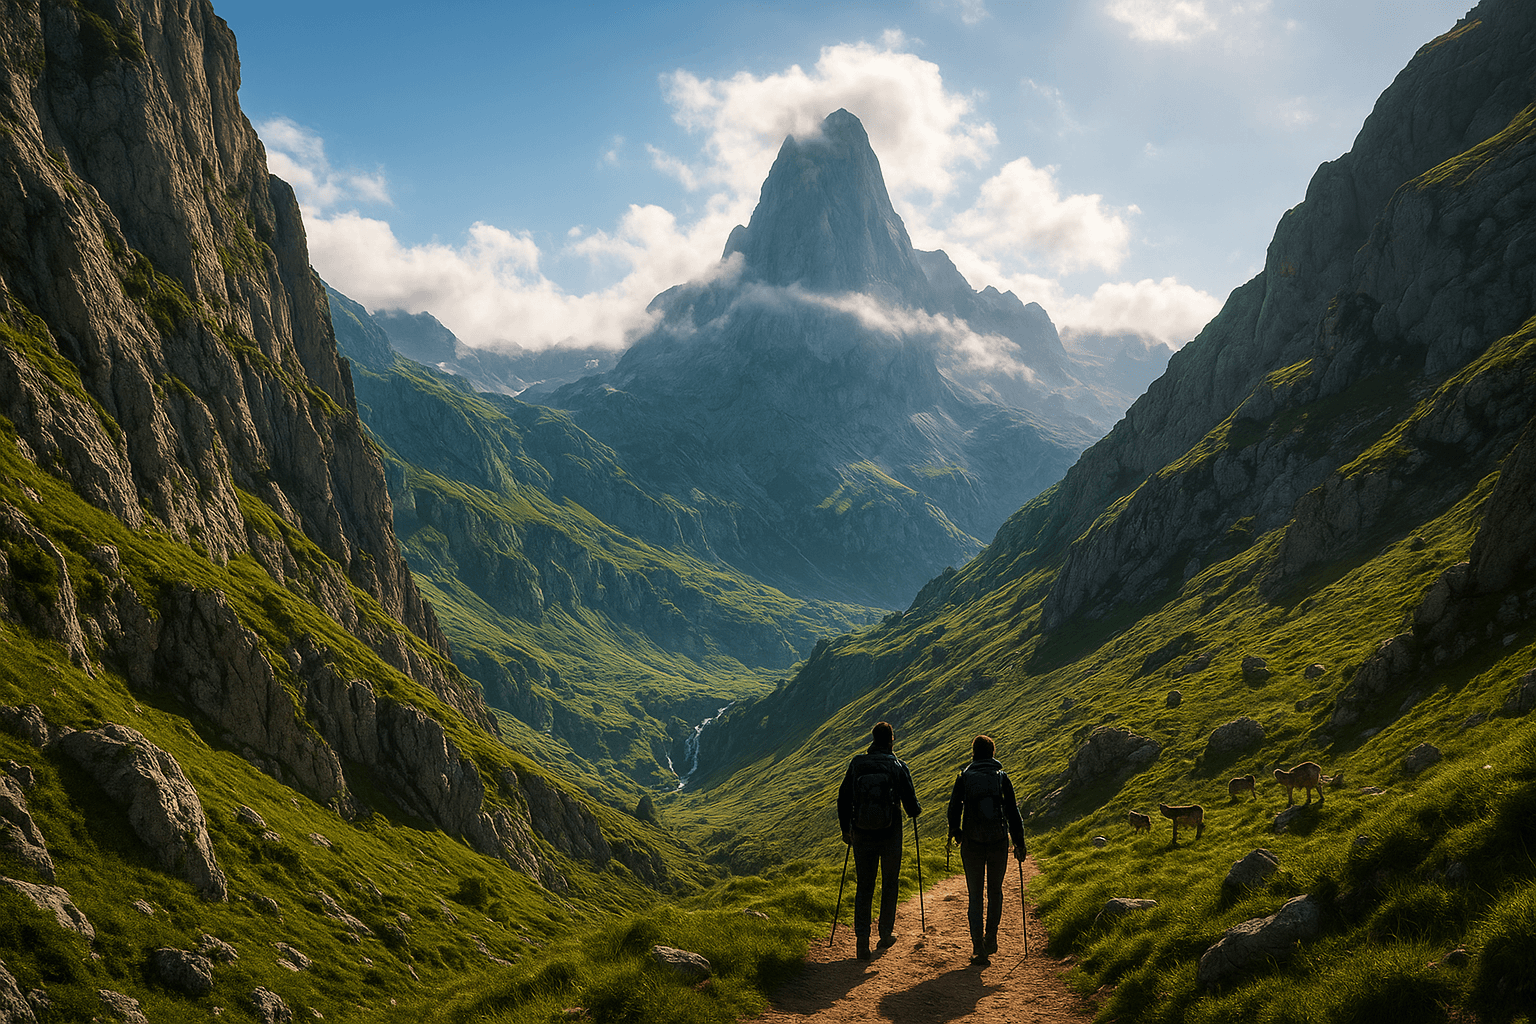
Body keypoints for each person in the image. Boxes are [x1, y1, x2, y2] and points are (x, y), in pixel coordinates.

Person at [836, 721, 921, 960]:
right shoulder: (898, 765)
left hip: (861, 832)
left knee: (865, 885)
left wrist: (846, 829)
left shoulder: (857, 764)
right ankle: (885, 934)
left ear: (873, 739)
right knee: (889, 882)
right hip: (890, 833)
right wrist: (916, 809)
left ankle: (862, 941)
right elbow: (911, 806)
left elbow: (843, 798)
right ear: (891, 740)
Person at [946, 734, 1025, 965]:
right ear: (992, 753)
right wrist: (1019, 843)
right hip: (998, 841)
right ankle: (991, 937)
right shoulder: (1001, 777)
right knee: (995, 892)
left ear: (974, 753)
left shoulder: (964, 777)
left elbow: (954, 808)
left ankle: (977, 946)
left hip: (972, 841)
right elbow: (1012, 812)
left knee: (975, 895)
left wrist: (957, 832)